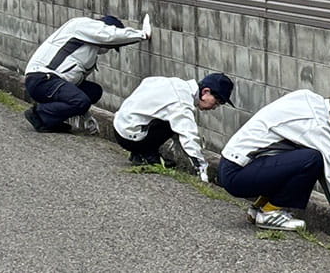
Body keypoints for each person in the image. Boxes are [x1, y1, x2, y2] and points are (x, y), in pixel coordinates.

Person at [218, 86, 330, 247]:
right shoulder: (318, 126)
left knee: (297, 155)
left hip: (232, 165)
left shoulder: (305, 97)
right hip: (237, 174)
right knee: (313, 159)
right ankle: (270, 213)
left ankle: (258, 209)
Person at [23, 14, 151, 133]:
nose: (108, 48)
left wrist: (86, 115)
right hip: (42, 78)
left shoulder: (89, 50)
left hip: (51, 82)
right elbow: (109, 35)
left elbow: (74, 87)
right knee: (80, 101)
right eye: (109, 46)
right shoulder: (82, 25)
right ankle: (39, 115)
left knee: (93, 91)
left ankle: (50, 121)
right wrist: (142, 34)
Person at [113, 73, 235, 182]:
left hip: (119, 126)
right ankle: (148, 155)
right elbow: (189, 137)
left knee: (166, 118)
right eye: (217, 102)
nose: (215, 107)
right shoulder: (182, 103)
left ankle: (139, 154)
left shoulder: (174, 83)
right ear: (206, 92)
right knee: (173, 125)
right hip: (132, 137)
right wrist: (202, 170)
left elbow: (146, 83)